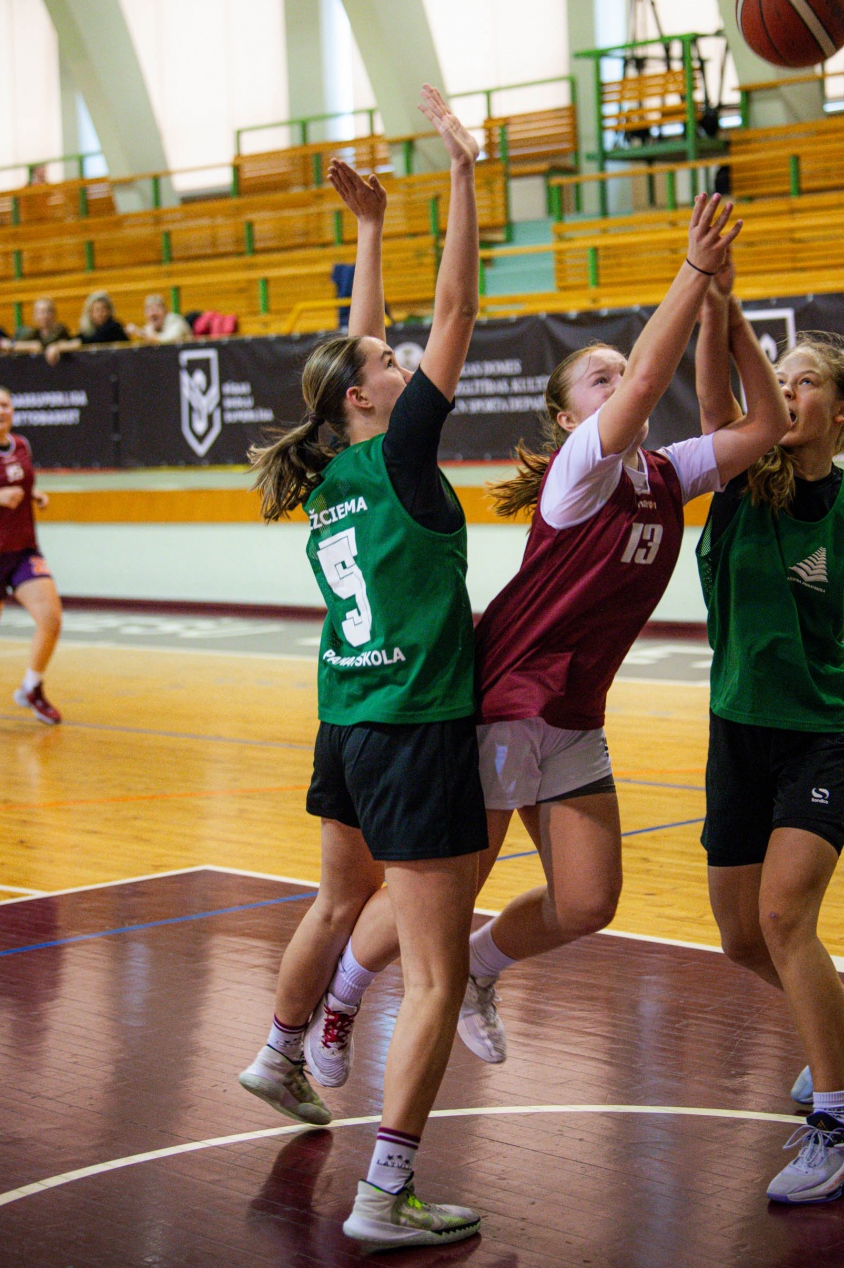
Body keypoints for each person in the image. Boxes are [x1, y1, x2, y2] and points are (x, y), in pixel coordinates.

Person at [285, 209, 787, 1078]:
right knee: (442, 892)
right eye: (600, 378)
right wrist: (693, 272)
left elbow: (766, 428)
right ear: (566, 417)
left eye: (620, 370)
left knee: (588, 902)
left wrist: (727, 313)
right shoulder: (580, 469)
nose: (620, 381)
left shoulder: (665, 473)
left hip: (574, 710)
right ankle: (342, 1001)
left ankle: (480, 970)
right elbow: (647, 387)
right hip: (506, 699)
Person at [239, 87, 487, 1252]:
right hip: (415, 722)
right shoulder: (401, 457)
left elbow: (363, 349)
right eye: (391, 364)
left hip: (346, 718)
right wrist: (464, 172)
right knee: (435, 974)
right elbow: (458, 307)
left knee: (339, 900)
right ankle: (387, 1194)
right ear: (367, 400)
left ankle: (279, 1052)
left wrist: (371, 229)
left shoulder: (333, 474)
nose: (404, 360)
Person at [693, 299, 844, 1205]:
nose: (785, 390)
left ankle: (841, 1129)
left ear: (842, 410)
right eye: (779, 377)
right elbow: (714, 393)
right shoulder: (735, 477)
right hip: (735, 734)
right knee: (739, 937)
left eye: (805, 382)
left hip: (819, 739)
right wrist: (716, 300)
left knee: (785, 918)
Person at [0, 385, 63, 726]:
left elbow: (20, 483)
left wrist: (34, 495)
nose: (0, 411)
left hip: (23, 551)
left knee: (51, 618)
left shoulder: (22, 445)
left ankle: (31, 687)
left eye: (5, 405)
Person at [44, 291, 129, 365]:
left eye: (104, 309)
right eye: (97, 310)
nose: (101, 314)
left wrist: (63, 346)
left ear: (109, 311)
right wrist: (60, 345)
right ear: (90, 313)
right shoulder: (90, 330)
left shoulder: (114, 326)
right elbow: (79, 337)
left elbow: (90, 341)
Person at [126, 293, 192, 345]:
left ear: (166, 311)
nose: (153, 313)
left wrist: (140, 332)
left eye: (157, 309)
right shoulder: (149, 327)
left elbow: (166, 341)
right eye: (149, 310)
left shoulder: (176, 321)